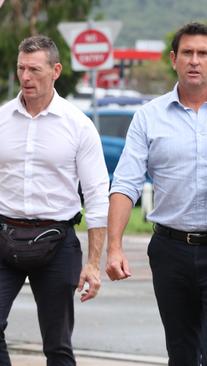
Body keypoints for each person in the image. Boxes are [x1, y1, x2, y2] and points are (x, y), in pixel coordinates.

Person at [105, 22, 207, 365]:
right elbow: (125, 183)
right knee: (180, 354)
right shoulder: (148, 117)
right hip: (170, 251)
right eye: (187, 53)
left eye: (203, 54)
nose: (194, 60)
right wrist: (115, 247)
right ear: (173, 59)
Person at [0, 35, 108, 365]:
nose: (26, 77)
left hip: (57, 241)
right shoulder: (2, 119)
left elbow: (96, 195)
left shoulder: (78, 125)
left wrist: (92, 263)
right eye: (21, 69)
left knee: (57, 345)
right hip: (5, 237)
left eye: (35, 69)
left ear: (56, 70)